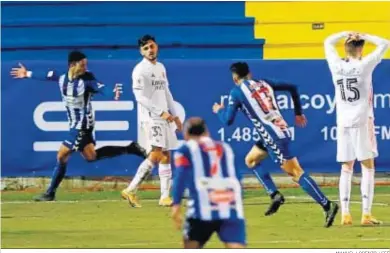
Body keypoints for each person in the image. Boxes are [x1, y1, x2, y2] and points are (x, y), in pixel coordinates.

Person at [213, 62, 338, 228]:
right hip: (277, 131)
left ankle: (327, 205)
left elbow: (227, 120)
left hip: (273, 137)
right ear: (249, 73)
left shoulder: (236, 92)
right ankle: (274, 195)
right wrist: (298, 113)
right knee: (251, 160)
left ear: (235, 78)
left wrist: (219, 110)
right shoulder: (265, 82)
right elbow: (293, 87)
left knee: (295, 173)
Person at [10, 50, 147, 201]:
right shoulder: (62, 77)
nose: (85, 68)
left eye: (85, 64)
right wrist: (27, 73)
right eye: (82, 65)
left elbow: (101, 88)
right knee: (91, 156)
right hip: (74, 125)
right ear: (72, 65)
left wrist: (112, 93)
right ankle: (130, 148)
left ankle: (50, 193)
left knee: (61, 155)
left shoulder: (87, 79)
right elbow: (46, 75)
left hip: (82, 126)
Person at [324, 31, 389, 225]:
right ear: (360, 49)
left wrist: (346, 33)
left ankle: (345, 213)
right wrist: (365, 35)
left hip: (342, 120)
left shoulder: (336, 65)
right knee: (368, 166)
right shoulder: (363, 65)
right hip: (362, 119)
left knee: (346, 167)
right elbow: (385, 43)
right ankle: (366, 214)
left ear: (345, 48)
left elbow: (328, 40)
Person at [121, 35, 183, 207]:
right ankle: (130, 189)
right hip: (151, 118)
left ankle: (164, 197)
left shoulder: (161, 67)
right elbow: (139, 96)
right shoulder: (140, 70)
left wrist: (175, 115)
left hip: (164, 117)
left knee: (166, 155)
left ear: (157, 47)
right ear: (141, 51)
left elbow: (166, 92)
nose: (150, 50)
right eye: (146, 48)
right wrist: (160, 112)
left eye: (152, 46)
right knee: (156, 154)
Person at [171, 117, 246, 248]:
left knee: (190, 245)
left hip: (201, 208)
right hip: (229, 204)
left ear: (186, 134)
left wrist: (176, 204)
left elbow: (180, 176)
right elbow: (237, 177)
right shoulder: (226, 147)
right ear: (207, 132)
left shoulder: (185, 150)